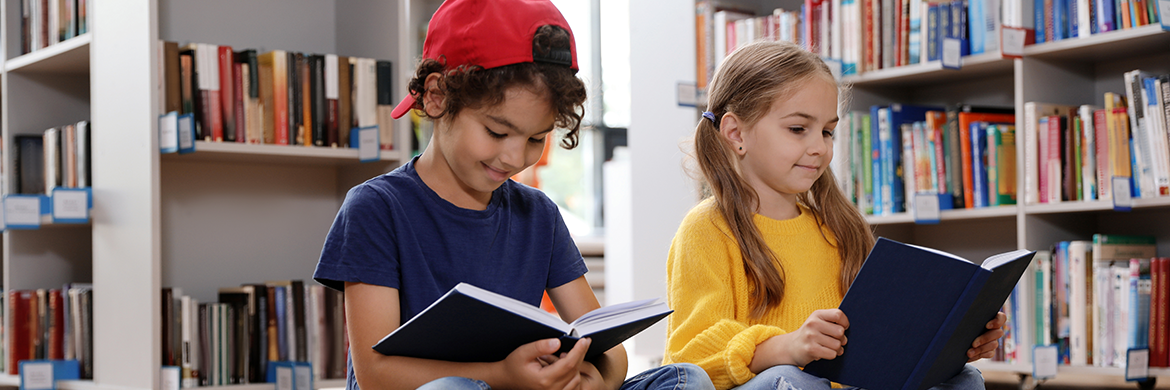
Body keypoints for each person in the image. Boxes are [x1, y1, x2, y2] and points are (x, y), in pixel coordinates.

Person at [313, 0, 712, 389]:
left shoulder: (538, 214)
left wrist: (595, 379)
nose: (515, 157)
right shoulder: (376, 208)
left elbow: (610, 348)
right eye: (497, 132)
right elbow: (375, 375)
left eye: (536, 138)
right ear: (436, 97)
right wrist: (503, 377)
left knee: (685, 379)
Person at [662, 40, 1005, 390]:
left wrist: (953, 337)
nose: (820, 148)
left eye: (827, 132)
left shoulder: (839, 226)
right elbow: (692, 357)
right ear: (736, 133)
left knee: (964, 380)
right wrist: (788, 347)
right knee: (792, 381)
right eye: (798, 129)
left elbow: (880, 336)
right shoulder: (707, 229)